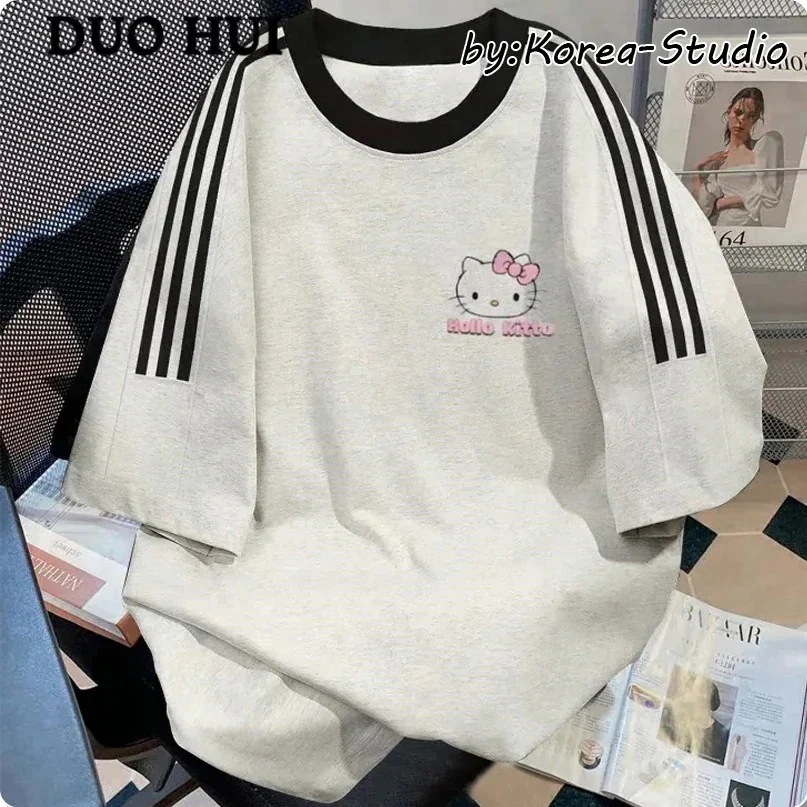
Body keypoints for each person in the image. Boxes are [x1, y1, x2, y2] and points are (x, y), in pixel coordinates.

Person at [692, 87, 784, 227]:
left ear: (756, 119)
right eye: (738, 112)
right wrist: (698, 169)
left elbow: (769, 195)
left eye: (750, 115)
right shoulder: (719, 160)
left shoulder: (765, 146)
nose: (741, 120)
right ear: (729, 112)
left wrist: (724, 202)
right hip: (722, 227)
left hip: (748, 227)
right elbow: (703, 208)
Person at [660, 673, 731, 765]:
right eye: (688, 690)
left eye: (694, 690)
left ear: (706, 697)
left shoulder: (723, 735)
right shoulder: (675, 724)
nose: (687, 695)